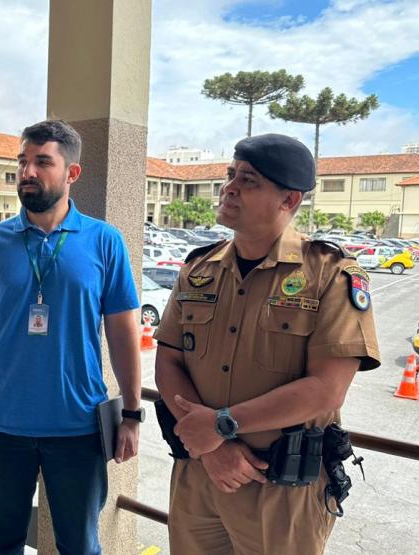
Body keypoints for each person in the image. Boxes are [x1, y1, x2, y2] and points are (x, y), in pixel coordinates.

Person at [154, 133, 380, 554]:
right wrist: (212, 448)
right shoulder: (198, 269)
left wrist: (221, 426)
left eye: (250, 180)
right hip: (200, 473)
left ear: (289, 201)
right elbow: (168, 360)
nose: (230, 188)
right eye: (230, 175)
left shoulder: (330, 274)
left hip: (281, 490)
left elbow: (326, 389)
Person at [0, 120, 143, 555]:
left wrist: (132, 414)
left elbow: (124, 332)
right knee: (0, 545)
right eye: (22, 162)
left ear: (72, 173)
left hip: (78, 428)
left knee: (80, 546)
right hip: (0, 426)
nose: (27, 172)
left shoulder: (104, 241)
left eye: (41, 162)